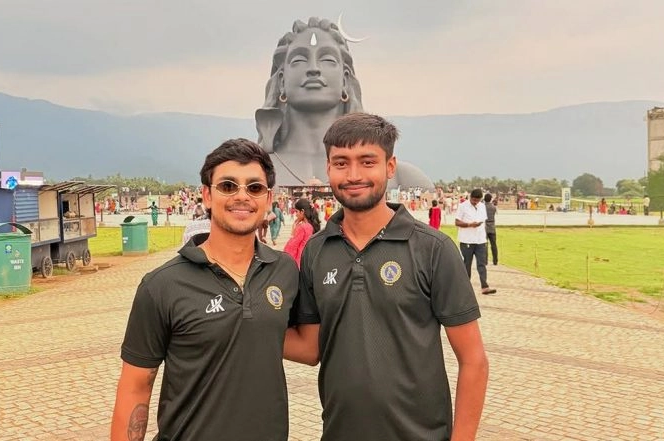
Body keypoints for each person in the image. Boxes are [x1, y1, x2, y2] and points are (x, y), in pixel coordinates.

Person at [286, 113, 488, 441]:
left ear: (390, 167)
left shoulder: (432, 249)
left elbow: (473, 359)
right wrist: (241, 325)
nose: (353, 175)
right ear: (328, 168)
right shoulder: (317, 251)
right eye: (341, 162)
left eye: (367, 162)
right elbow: (310, 349)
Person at [111, 138, 301, 441]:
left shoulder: (285, 271)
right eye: (228, 186)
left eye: (254, 188)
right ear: (207, 196)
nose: (242, 196)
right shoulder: (162, 285)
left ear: (268, 199)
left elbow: (303, 342)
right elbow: (136, 386)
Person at [256, 16, 429, 189]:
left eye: (328, 60)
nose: (314, 69)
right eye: (299, 60)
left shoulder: (403, 179)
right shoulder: (254, 171)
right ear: (281, 81)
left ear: (345, 80)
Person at [456, 189, 496, 295]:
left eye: (477, 200)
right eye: (473, 200)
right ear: (470, 197)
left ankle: (485, 286)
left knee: (481, 264)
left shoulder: (482, 206)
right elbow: (457, 222)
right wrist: (469, 224)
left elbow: (483, 221)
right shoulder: (463, 206)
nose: (475, 202)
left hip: (480, 240)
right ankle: (465, 287)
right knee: (467, 264)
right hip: (467, 240)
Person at [283, 198, 320, 267]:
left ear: (302, 211)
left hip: (299, 263)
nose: (295, 214)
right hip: (308, 262)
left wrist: (293, 230)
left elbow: (291, 247)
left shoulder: (303, 227)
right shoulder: (311, 226)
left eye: (296, 211)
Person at [484, 192, 498, 265]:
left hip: (485, 226)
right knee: (494, 244)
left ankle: (485, 260)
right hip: (492, 226)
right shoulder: (493, 207)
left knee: (485, 244)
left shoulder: (482, 207)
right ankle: (495, 260)